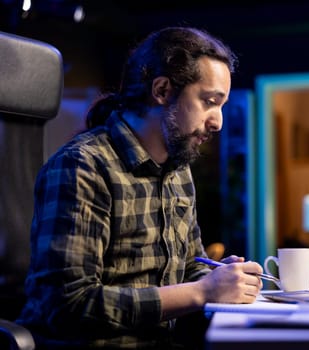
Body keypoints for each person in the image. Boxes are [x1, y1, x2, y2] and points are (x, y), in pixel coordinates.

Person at [16, 26, 263, 349]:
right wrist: (204, 292)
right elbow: (67, 305)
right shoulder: (84, 166)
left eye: (221, 105)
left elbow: (191, 266)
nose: (217, 121)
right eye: (209, 102)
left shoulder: (177, 170)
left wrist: (223, 279)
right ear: (161, 90)